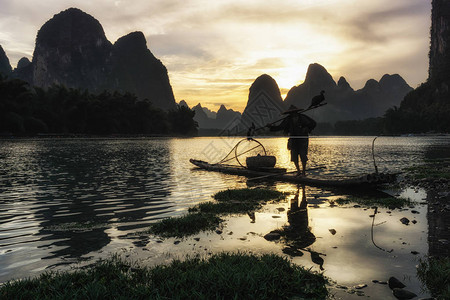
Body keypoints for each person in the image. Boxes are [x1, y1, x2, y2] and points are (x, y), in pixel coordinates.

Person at [267, 105, 316, 176]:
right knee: (294, 155)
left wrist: (307, 128)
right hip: (293, 140)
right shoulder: (288, 119)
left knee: (303, 155)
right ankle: (299, 171)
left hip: (302, 139)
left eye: (294, 112)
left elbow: (313, 123)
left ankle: (304, 172)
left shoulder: (302, 118)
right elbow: (280, 127)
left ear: (297, 112)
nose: (293, 114)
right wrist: (271, 127)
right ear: (290, 113)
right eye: (291, 113)